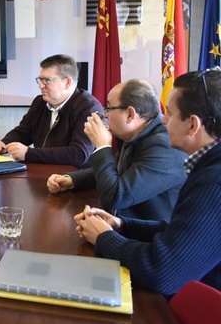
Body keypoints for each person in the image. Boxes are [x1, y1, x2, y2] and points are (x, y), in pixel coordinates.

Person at [75, 69, 221, 296]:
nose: (163, 120)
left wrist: (104, 238)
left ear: (193, 125)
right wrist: (121, 224)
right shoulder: (209, 166)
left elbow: (162, 271)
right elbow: (180, 231)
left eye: (170, 114)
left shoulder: (213, 182)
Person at [47, 79, 186, 221]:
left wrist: (102, 146)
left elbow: (116, 197)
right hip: (123, 224)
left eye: (108, 108)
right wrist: (71, 180)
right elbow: (115, 171)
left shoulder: (164, 146)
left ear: (130, 114)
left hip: (151, 235)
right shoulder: (138, 134)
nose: (105, 115)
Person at [0, 54, 103, 168]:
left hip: (73, 178)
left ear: (67, 82)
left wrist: (29, 153)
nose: (41, 86)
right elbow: (23, 132)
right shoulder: (40, 102)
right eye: (40, 80)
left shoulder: (88, 108)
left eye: (47, 80)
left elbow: (78, 154)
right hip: (42, 171)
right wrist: (3, 144)